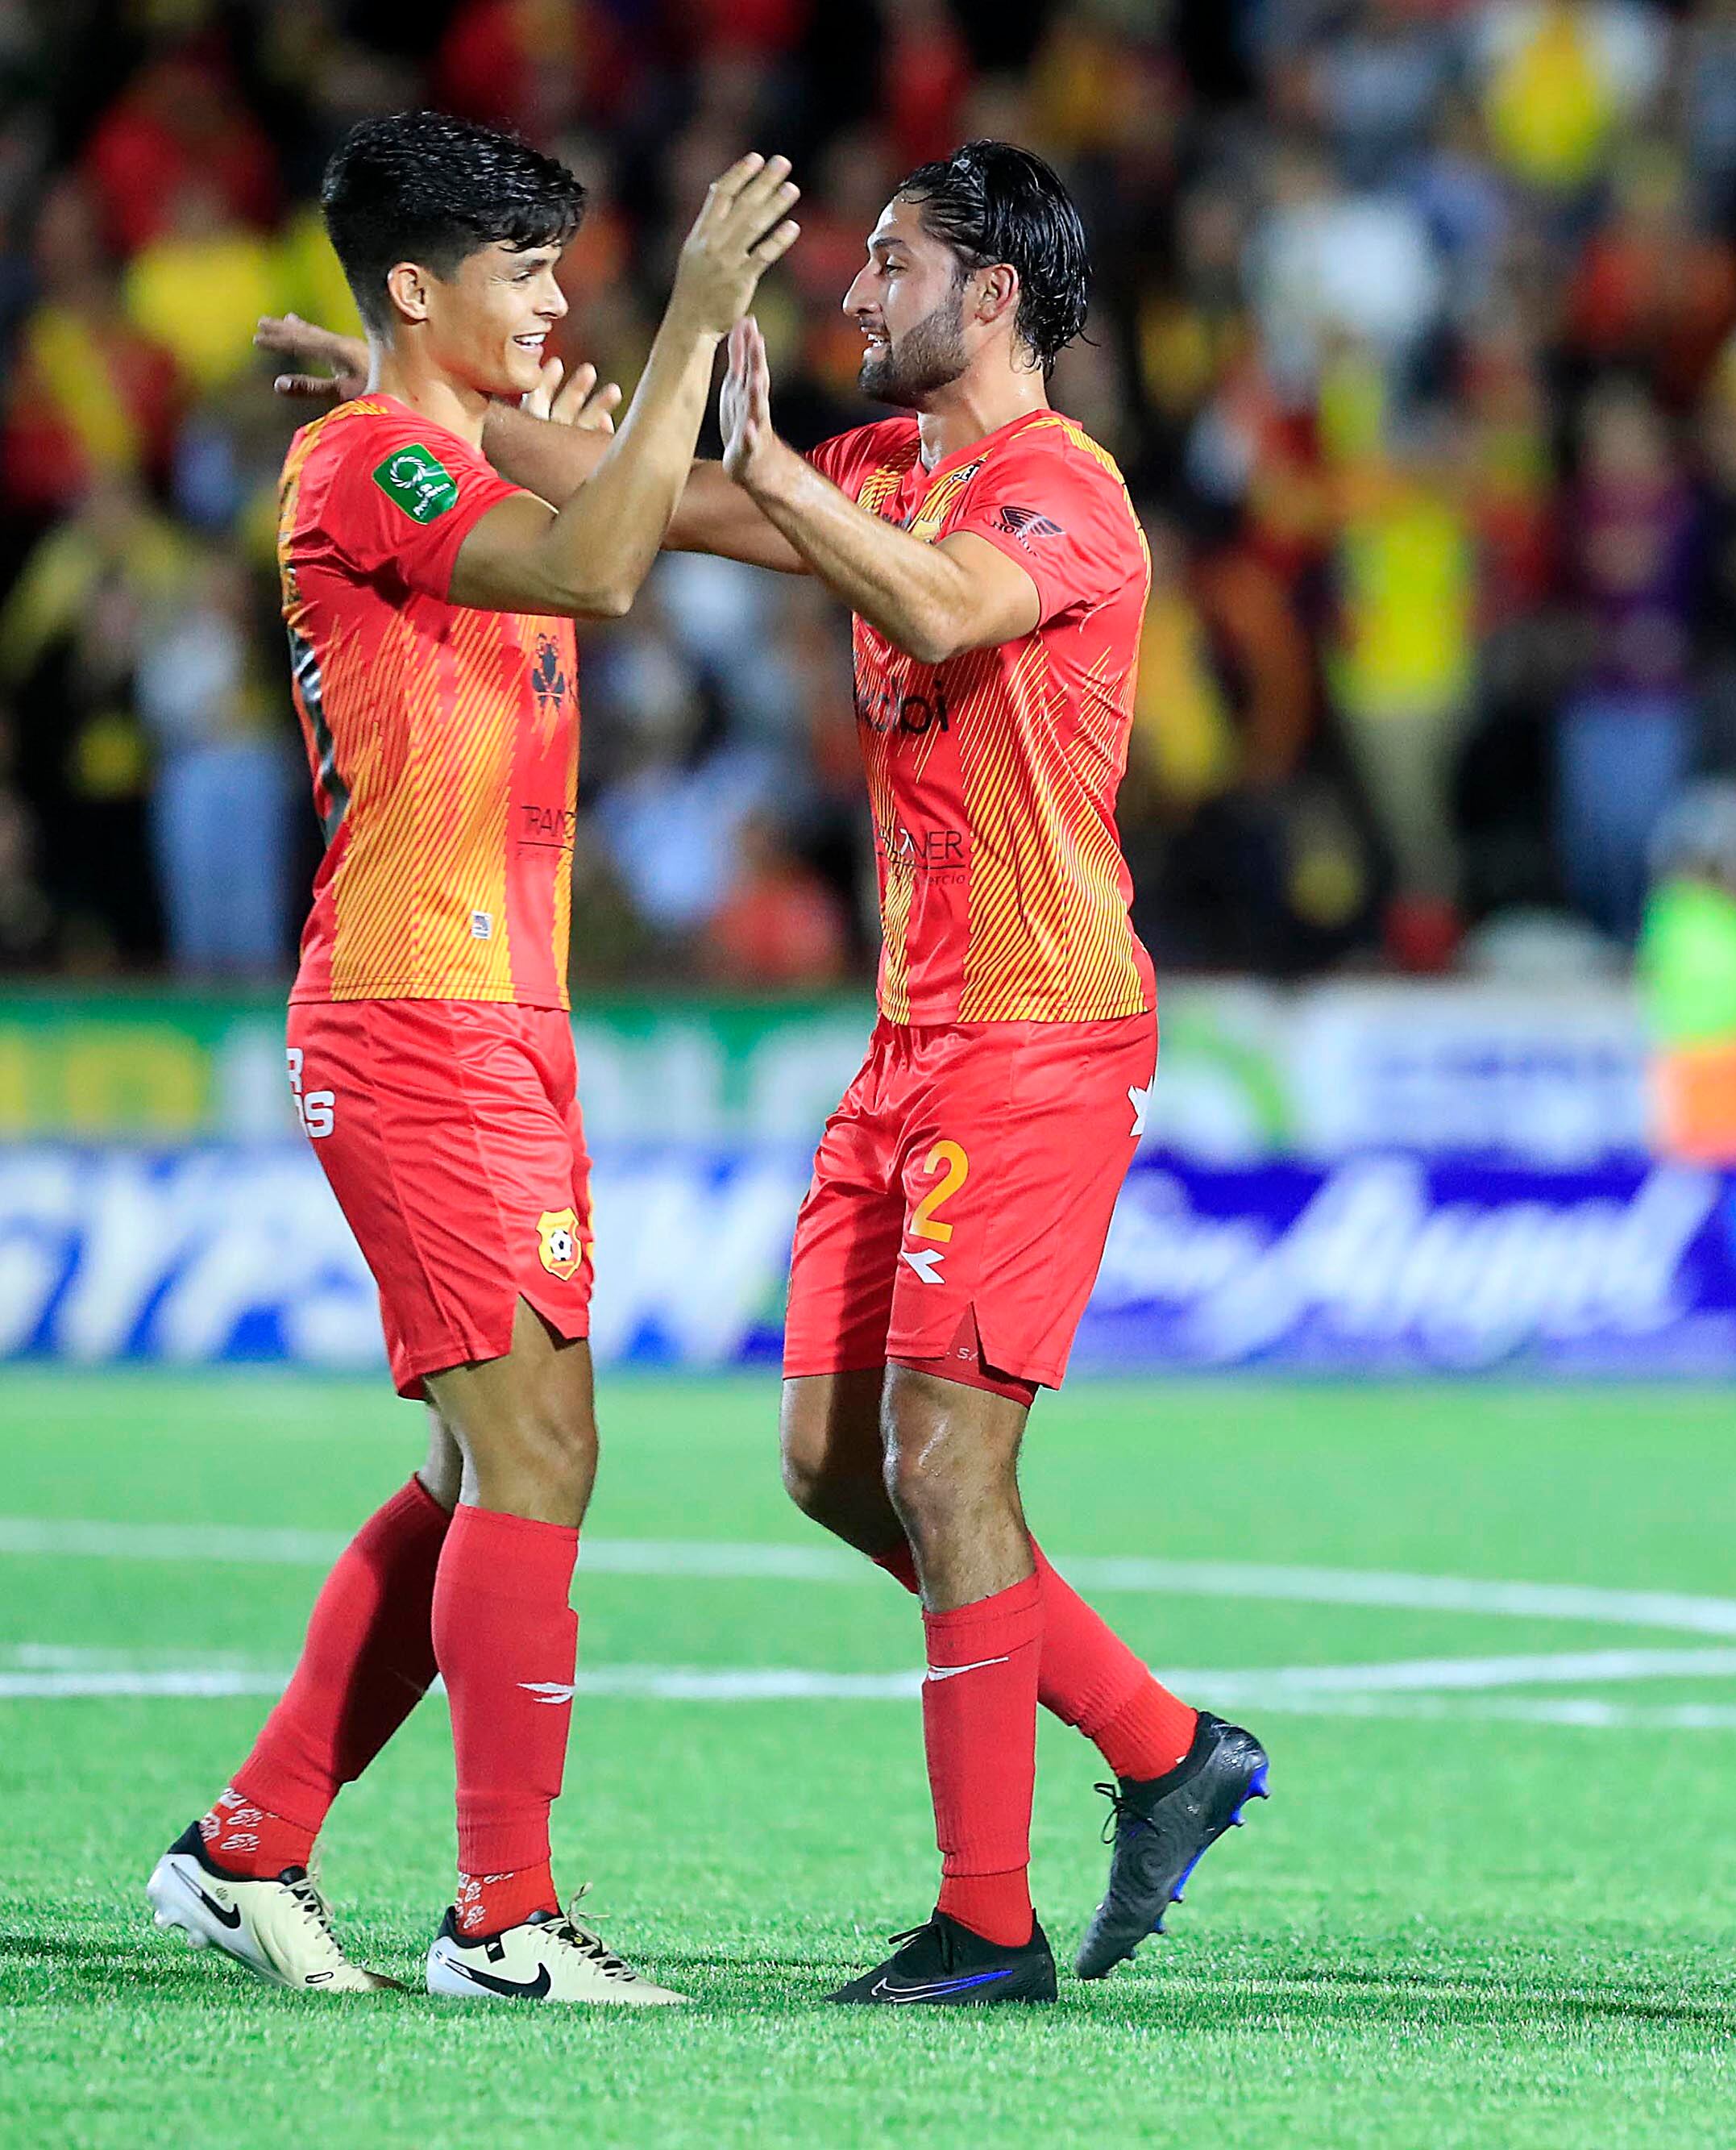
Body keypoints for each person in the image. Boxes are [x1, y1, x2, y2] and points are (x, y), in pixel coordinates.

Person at [264, 141, 1272, 2007]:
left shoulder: (1070, 491)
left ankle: (986, 1924)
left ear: (989, 296)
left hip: (1039, 1031)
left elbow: (951, 611)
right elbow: (644, 516)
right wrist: (421, 405)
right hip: (907, 1045)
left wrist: (781, 477)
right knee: (828, 1465)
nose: (854, 294)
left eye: (887, 265)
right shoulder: (885, 467)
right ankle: (1159, 1746)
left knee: (949, 1465)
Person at [151, 111, 795, 2005]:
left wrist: (550, 393)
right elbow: (599, 566)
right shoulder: (367, 461)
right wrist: (683, 330)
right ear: (427, 285)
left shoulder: (412, 431)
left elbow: (663, 521)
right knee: (538, 1451)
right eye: (527, 272)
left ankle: (246, 1845)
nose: (558, 300)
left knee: (476, 1462)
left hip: (502, 1014)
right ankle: (500, 1917)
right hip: (416, 1009)